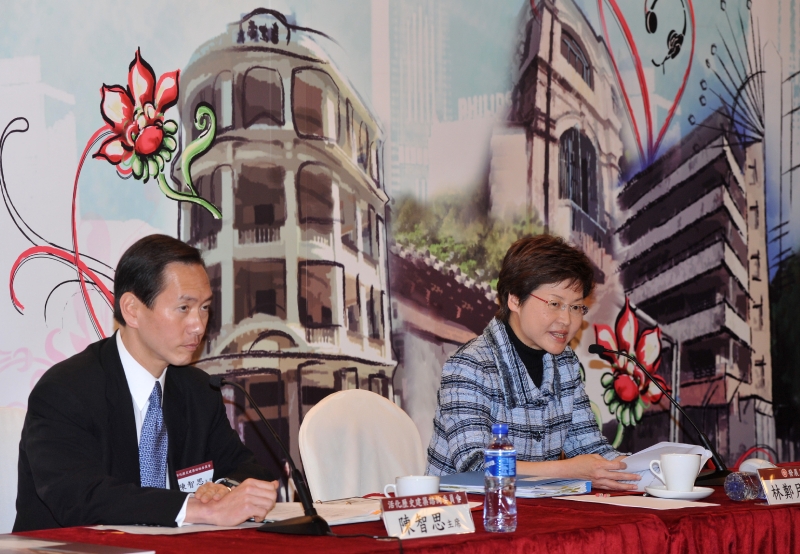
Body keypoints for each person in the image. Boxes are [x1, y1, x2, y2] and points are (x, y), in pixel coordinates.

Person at [14, 234, 279, 531]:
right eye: (184, 308)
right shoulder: (65, 391)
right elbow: (78, 498)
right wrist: (195, 509)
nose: (198, 325)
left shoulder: (198, 390)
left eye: (204, 307)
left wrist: (223, 490)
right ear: (132, 309)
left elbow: (249, 470)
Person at [426, 235, 640, 490]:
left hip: (534, 508)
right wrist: (568, 469)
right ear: (515, 299)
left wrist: (650, 468)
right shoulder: (469, 366)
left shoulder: (565, 364)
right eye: (555, 304)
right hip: (462, 509)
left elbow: (590, 447)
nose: (567, 320)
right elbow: (477, 467)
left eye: (576, 307)